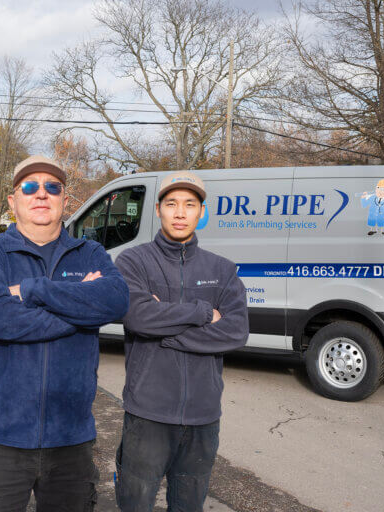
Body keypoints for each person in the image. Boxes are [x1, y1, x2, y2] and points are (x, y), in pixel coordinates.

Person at [0, 155, 129, 512]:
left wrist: (30, 290)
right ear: (13, 200)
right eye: (29, 186)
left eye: (53, 187)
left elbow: (115, 301)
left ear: (65, 200)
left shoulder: (90, 253)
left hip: (71, 437)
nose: (41, 194)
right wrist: (81, 310)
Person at [113, 171, 249, 512]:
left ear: (202, 212)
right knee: (134, 503)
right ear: (158, 209)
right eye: (171, 203)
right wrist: (202, 312)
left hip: (203, 416)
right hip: (148, 413)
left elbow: (235, 331)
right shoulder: (133, 261)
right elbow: (137, 317)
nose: (180, 212)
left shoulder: (223, 270)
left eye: (189, 204)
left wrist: (164, 332)